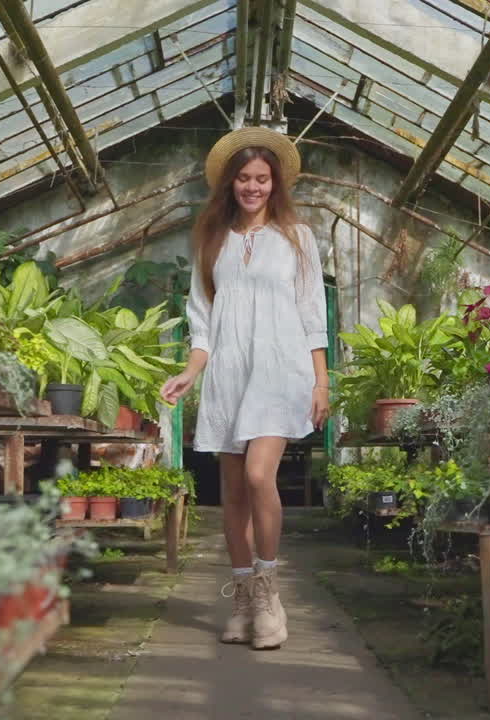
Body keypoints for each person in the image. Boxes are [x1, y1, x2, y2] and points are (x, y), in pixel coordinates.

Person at [160, 127, 329, 651]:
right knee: (232, 492)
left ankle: (270, 594)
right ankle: (243, 599)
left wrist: (321, 380)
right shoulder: (213, 240)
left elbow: (312, 312)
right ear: (230, 184)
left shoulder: (298, 237)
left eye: (262, 178)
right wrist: (190, 371)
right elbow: (203, 321)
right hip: (230, 371)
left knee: (260, 476)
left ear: (275, 183)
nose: (253, 187)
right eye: (244, 178)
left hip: (281, 370)